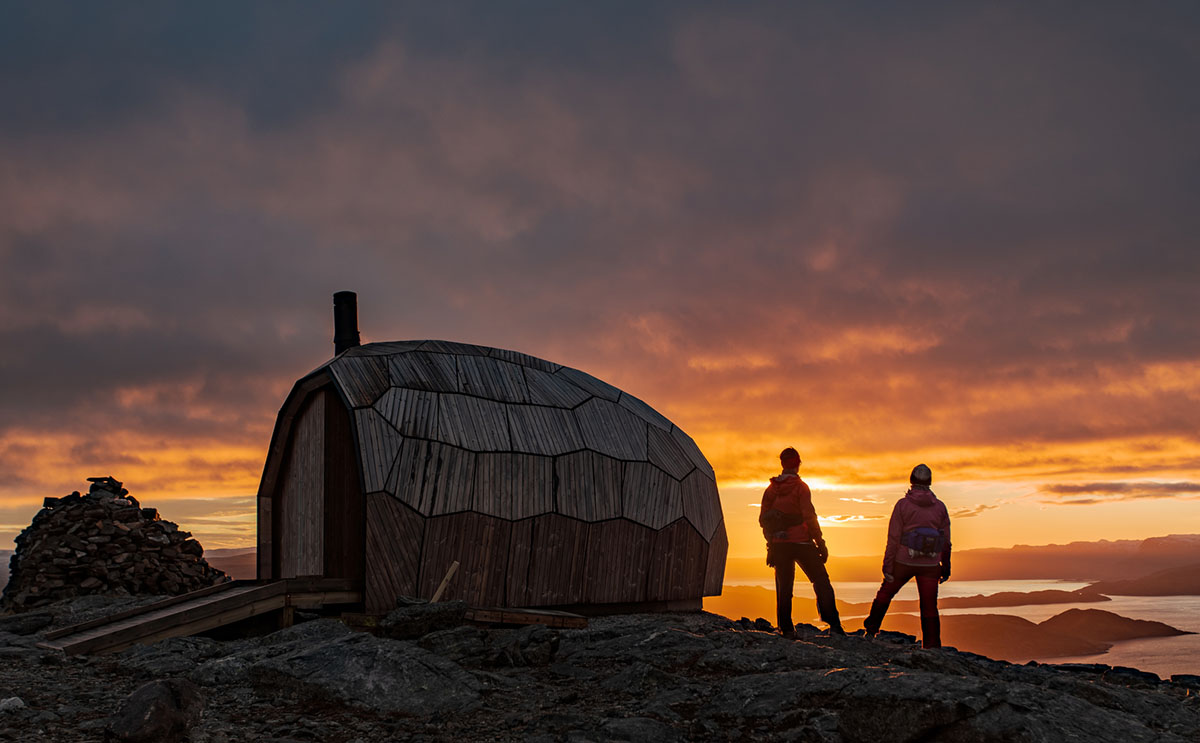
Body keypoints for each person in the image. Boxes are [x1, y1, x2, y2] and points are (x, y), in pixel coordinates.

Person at [862, 463, 951, 648]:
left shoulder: (902, 505)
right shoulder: (940, 507)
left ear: (912, 480)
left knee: (885, 593)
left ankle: (870, 631)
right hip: (931, 564)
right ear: (930, 481)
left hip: (903, 561)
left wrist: (888, 566)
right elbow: (945, 541)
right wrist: (945, 567)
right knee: (929, 606)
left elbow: (893, 538)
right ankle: (932, 647)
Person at [759, 447, 844, 638]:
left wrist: (771, 545)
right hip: (802, 542)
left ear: (782, 464)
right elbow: (809, 516)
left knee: (784, 587)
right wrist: (820, 542)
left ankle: (787, 629)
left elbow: (763, 520)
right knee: (821, 581)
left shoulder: (771, 490)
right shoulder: (801, 487)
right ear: (798, 464)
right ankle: (834, 626)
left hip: (780, 545)